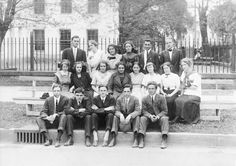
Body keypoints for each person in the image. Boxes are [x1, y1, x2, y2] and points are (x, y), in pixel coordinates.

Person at [138, 81, 169, 149]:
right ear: (147, 89)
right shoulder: (144, 98)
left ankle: (164, 139)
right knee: (143, 118)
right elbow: (143, 110)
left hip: (159, 119)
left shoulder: (161, 98)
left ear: (156, 89)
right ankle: (141, 138)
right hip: (149, 119)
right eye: (149, 88)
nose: (151, 90)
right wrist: (150, 116)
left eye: (152, 88)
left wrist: (158, 116)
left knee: (165, 118)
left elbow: (165, 111)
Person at [174, 58, 201, 124]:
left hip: (195, 94)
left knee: (186, 102)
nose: (183, 67)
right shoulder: (183, 73)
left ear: (189, 65)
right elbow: (182, 84)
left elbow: (194, 87)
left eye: (185, 65)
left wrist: (186, 86)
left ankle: (188, 119)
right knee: (177, 100)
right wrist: (181, 93)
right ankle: (179, 117)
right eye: (182, 65)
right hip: (186, 93)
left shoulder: (195, 75)